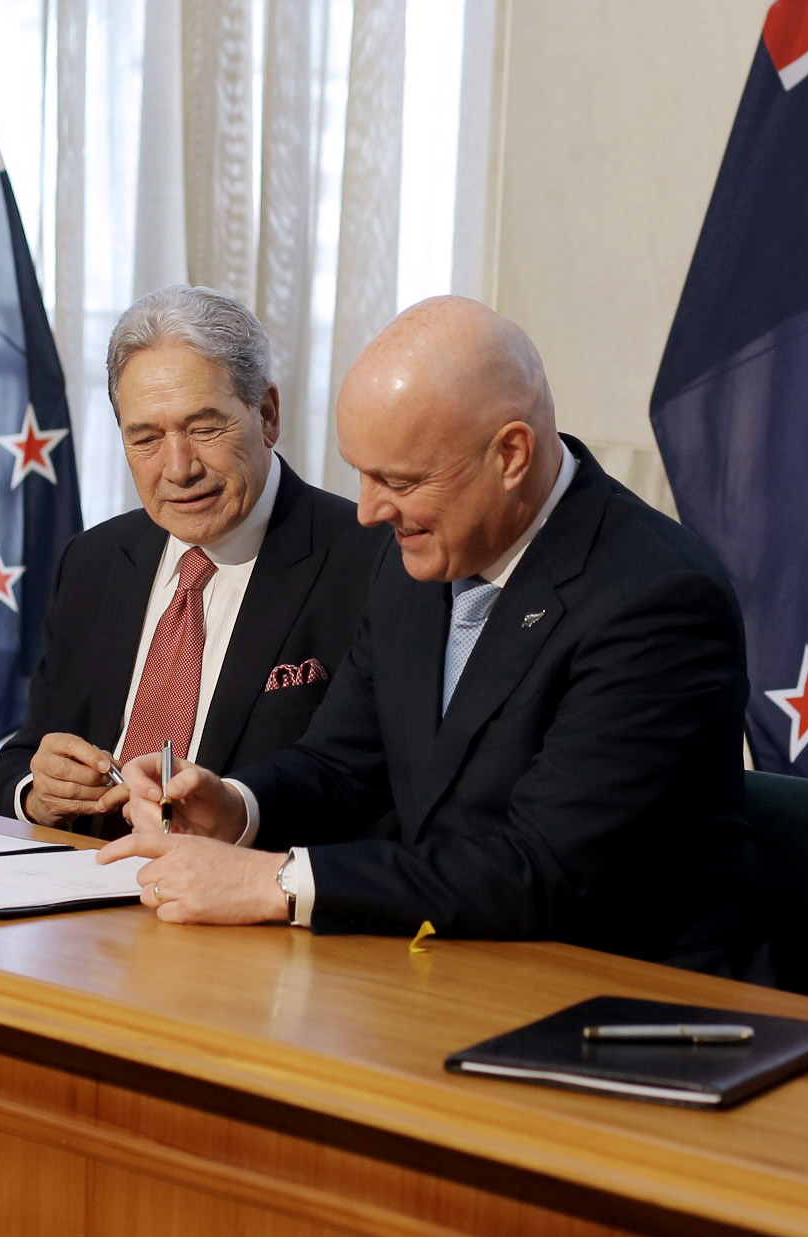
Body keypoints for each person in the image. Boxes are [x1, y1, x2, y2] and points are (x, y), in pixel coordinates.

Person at [91, 295, 759, 973]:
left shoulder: (656, 597)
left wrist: (275, 881)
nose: (370, 510)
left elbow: (542, 868)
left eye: (399, 480)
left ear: (511, 454)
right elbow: (341, 766)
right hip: (440, 967)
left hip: (623, 1003)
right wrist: (234, 807)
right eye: (360, 472)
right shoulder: (416, 555)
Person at [0, 286, 386, 828]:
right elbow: (22, 757)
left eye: (204, 429)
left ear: (267, 415)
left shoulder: (373, 562)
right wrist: (39, 791)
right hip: (85, 885)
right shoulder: (94, 561)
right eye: (146, 439)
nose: (178, 468)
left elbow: (376, 791)